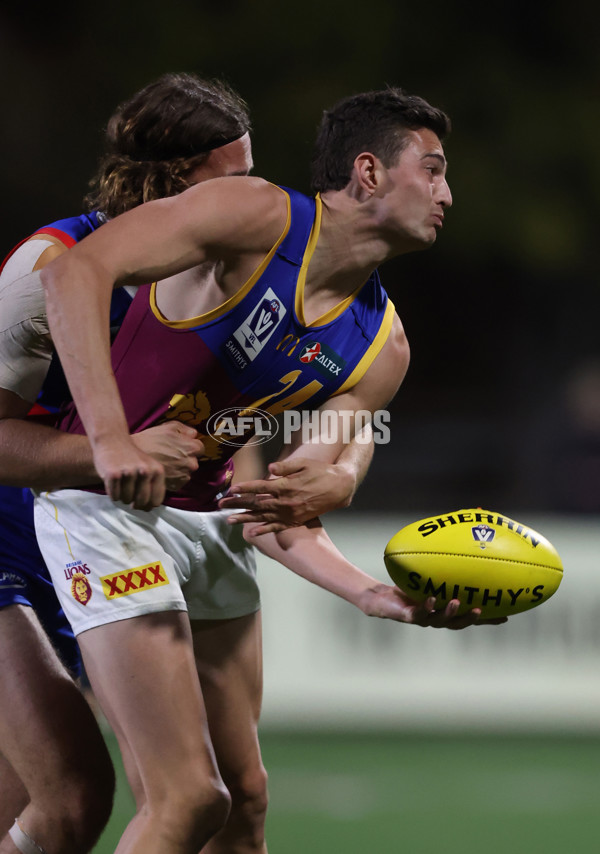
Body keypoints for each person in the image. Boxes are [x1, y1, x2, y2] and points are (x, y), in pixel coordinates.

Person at [33, 86, 505, 854]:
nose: (448, 194)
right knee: (187, 798)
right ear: (369, 172)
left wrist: (373, 593)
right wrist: (109, 441)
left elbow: (275, 510)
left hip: (211, 522)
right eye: (434, 169)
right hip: (107, 513)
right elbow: (72, 276)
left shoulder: (383, 348)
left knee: (246, 801)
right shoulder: (259, 216)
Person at [0, 73, 375, 854]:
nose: (258, 197)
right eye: (234, 179)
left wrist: (339, 481)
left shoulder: (225, 289)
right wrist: (106, 452)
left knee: (221, 800)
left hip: (96, 529)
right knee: (74, 795)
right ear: (171, 183)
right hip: (12, 534)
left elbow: (240, 485)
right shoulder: (49, 271)